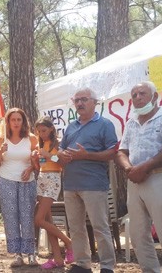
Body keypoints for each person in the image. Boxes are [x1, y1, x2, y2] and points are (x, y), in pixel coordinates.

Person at [116, 81, 162, 273]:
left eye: (142, 93)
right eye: (134, 95)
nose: (137, 97)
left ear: (154, 97)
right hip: (135, 181)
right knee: (138, 236)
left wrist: (143, 168)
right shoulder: (131, 122)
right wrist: (130, 169)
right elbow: (121, 151)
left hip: (160, 178)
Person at [58, 88, 118, 273]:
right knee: (75, 227)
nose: (79, 104)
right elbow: (60, 150)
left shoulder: (105, 124)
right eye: (76, 100)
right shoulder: (71, 126)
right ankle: (82, 263)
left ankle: (107, 266)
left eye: (84, 99)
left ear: (94, 102)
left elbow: (112, 153)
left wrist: (86, 155)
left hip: (94, 185)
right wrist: (61, 155)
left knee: (100, 227)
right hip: (70, 185)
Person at [0, 108, 40, 267]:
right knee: (11, 218)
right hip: (6, 181)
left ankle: (31, 253)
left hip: (27, 182)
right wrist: (1, 150)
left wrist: (30, 169)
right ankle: (17, 254)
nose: (17, 123)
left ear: (23, 121)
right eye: (13, 120)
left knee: (27, 216)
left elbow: (38, 163)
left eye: (19, 119)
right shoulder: (1, 139)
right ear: (8, 122)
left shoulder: (31, 139)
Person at [33, 117, 74, 269]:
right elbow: (41, 166)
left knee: (38, 220)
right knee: (47, 221)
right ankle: (57, 258)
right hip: (42, 178)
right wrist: (37, 159)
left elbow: (61, 162)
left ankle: (69, 242)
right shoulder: (42, 144)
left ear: (51, 129)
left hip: (53, 179)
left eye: (44, 130)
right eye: (39, 131)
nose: (41, 134)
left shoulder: (58, 143)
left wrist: (48, 155)